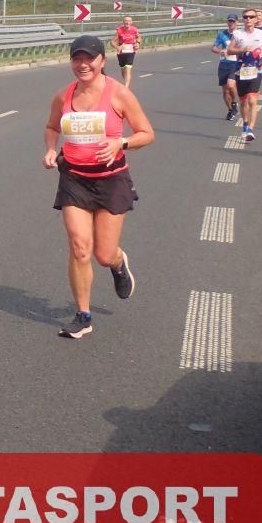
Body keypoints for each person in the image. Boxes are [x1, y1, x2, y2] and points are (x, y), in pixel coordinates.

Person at [43, 35, 154, 339]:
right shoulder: (63, 96)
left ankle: (118, 264)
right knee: (80, 247)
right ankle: (83, 315)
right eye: (76, 59)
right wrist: (51, 149)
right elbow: (51, 127)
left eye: (89, 59)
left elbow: (146, 133)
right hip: (74, 179)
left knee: (103, 254)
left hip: (111, 179)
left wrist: (122, 142)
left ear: (102, 61)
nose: (83, 65)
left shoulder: (119, 94)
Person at [227, 9, 262, 142]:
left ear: (255, 19)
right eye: (246, 17)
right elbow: (230, 50)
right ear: (243, 19)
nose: (248, 19)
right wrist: (241, 49)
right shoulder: (237, 34)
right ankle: (245, 124)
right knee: (243, 101)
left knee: (253, 100)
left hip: (256, 69)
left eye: (251, 17)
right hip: (241, 70)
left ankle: (250, 130)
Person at [211, 14, 240, 121]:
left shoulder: (240, 34)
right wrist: (220, 51)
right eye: (229, 21)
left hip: (235, 64)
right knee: (225, 91)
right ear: (227, 22)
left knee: (231, 85)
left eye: (233, 21)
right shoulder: (222, 34)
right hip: (223, 64)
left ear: (237, 22)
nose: (231, 23)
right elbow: (213, 48)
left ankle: (234, 103)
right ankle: (230, 110)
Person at [111, 16, 142, 89]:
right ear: (123, 22)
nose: (127, 22)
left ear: (131, 22)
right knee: (123, 69)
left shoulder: (134, 29)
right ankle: (126, 82)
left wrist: (138, 43)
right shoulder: (119, 30)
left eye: (129, 21)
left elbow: (139, 37)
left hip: (130, 51)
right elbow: (112, 41)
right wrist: (117, 47)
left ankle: (126, 87)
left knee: (128, 68)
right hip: (121, 52)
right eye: (126, 21)